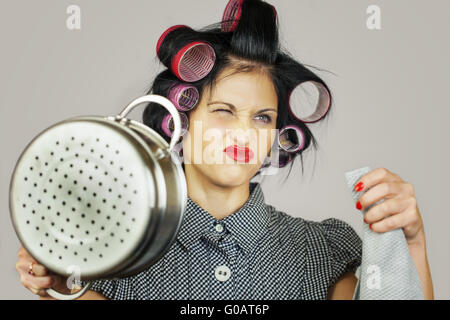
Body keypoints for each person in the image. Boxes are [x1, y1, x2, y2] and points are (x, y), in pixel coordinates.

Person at [15, 0, 433, 300]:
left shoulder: (317, 251)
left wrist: (410, 244)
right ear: (181, 120)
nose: (243, 133)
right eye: (223, 111)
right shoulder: (115, 252)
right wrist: (56, 282)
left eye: (262, 118)